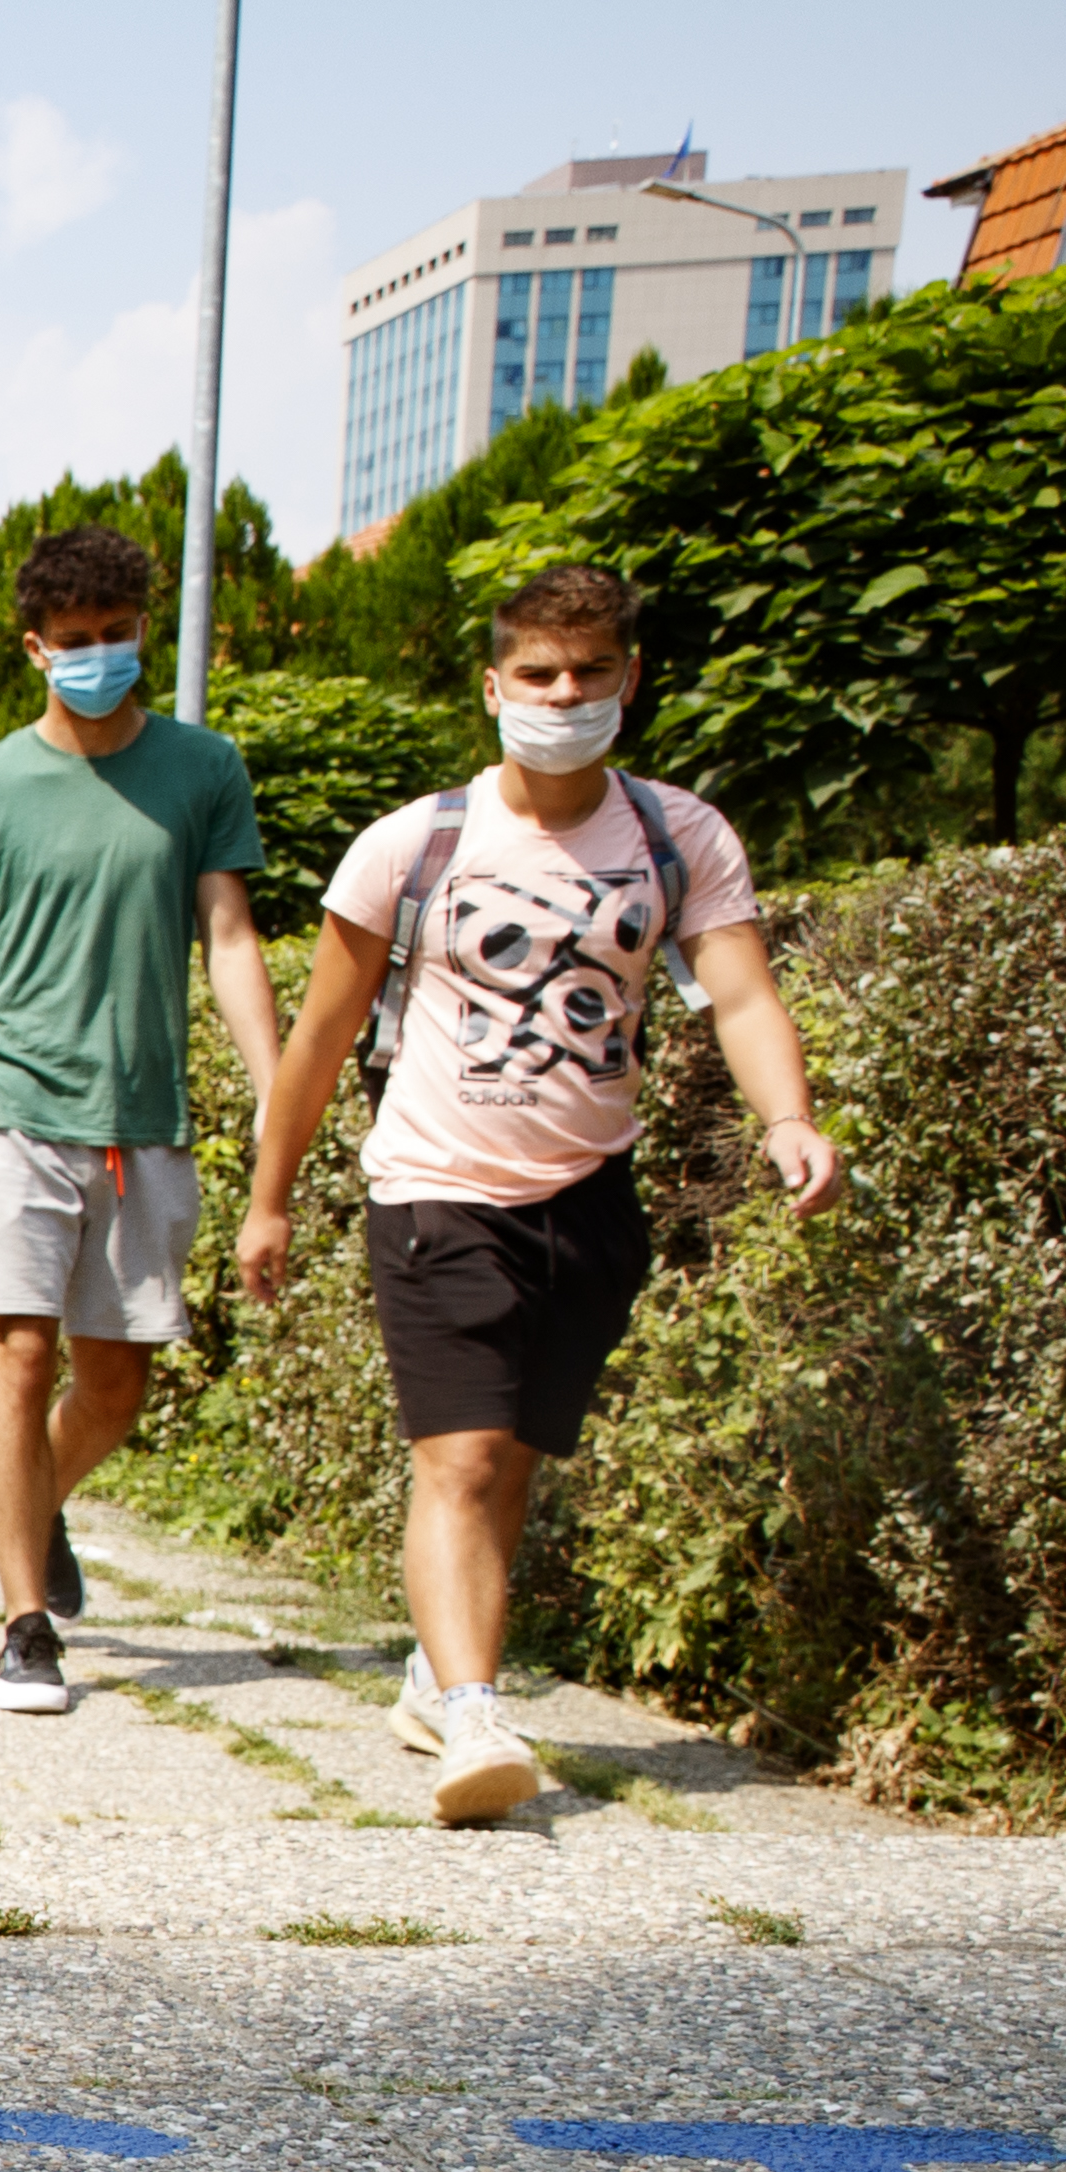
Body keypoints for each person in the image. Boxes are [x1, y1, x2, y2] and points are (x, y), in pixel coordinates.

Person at [241, 560, 835, 1826]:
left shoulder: (680, 837)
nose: (563, 695)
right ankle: (470, 1715)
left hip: (586, 1192)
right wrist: (269, 1196)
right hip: (433, 1185)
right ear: (492, 684)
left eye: (588, 673)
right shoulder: (414, 844)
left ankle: (431, 1674)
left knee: (508, 1456)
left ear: (628, 680)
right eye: (538, 674)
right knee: (454, 1455)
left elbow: (736, 995)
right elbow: (319, 1034)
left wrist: (787, 1118)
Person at [0, 521, 281, 1717]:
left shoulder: (201, 769)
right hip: (8, 1099)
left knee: (113, 1386)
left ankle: (35, 1506)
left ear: (138, 633)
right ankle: (22, 1625)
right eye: (74, 641)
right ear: (33, 650)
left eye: (115, 636)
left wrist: (276, 1088)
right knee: (18, 1351)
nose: (97, 655)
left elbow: (228, 937)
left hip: (141, 1111)